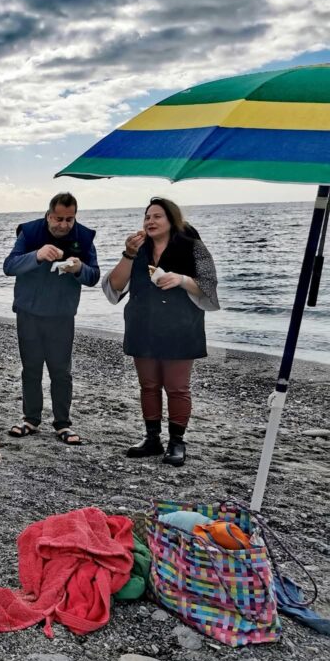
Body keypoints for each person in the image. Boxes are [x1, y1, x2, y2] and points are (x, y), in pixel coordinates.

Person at [102, 197, 220, 466]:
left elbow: (209, 286)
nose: (150, 221)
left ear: (172, 220)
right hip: (142, 325)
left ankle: (177, 442)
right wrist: (128, 253)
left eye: (157, 216)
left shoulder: (192, 248)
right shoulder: (139, 249)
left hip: (180, 328)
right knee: (149, 386)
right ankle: (152, 439)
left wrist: (181, 279)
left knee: (177, 388)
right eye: (147, 217)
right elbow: (115, 286)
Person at [3, 193, 99, 444]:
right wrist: (36, 255)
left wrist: (79, 269)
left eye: (69, 219)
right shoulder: (30, 232)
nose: (64, 225)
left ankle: (62, 424)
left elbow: (93, 277)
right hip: (29, 312)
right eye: (58, 218)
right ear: (48, 215)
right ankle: (30, 419)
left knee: (61, 372)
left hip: (61, 314)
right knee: (31, 369)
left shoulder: (84, 236)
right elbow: (9, 266)